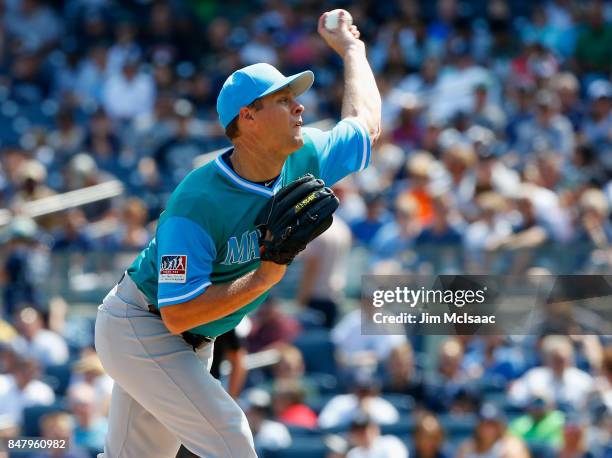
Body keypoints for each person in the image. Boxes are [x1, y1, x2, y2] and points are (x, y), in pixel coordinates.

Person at [94, 9, 381, 458]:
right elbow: (177, 314)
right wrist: (267, 275)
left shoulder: (304, 155)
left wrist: (352, 50)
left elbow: (366, 124)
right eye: (284, 100)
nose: (300, 106)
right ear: (247, 118)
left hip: (191, 341)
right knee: (231, 440)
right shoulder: (198, 202)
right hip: (143, 324)